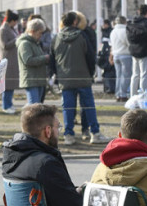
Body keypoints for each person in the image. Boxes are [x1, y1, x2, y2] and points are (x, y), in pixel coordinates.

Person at [2, 104, 99, 206]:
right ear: (47, 131)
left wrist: (76, 192)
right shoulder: (45, 163)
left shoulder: (11, 157)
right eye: (57, 127)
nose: (58, 132)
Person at [52, 11, 109, 146]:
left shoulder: (56, 38)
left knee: (68, 108)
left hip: (65, 79)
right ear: (75, 22)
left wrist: (57, 76)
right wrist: (91, 73)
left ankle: (69, 135)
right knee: (89, 106)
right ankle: (94, 133)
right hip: (83, 77)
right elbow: (90, 57)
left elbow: (53, 60)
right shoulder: (82, 35)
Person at [17, 17, 50, 106]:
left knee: (37, 108)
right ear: (32, 31)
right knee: (34, 108)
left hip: (38, 79)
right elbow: (28, 60)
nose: (41, 35)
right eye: (40, 33)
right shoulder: (25, 44)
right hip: (31, 80)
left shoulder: (35, 43)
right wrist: (45, 58)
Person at [127, 5, 147, 97]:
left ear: (138, 11)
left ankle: (133, 95)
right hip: (146, 52)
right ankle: (142, 96)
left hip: (134, 52)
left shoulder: (130, 24)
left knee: (135, 75)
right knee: (145, 75)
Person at [0, 10, 21, 114]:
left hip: (11, 61)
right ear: (12, 20)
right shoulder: (3, 29)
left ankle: (9, 104)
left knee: (10, 85)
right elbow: (4, 45)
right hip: (6, 61)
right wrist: (17, 39)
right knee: (6, 86)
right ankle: (6, 106)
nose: (16, 23)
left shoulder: (10, 29)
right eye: (15, 21)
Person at [110, 15, 131, 102]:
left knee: (118, 76)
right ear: (124, 22)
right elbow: (128, 42)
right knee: (126, 76)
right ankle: (123, 94)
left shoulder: (113, 31)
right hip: (125, 55)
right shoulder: (125, 31)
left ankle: (118, 94)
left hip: (116, 55)